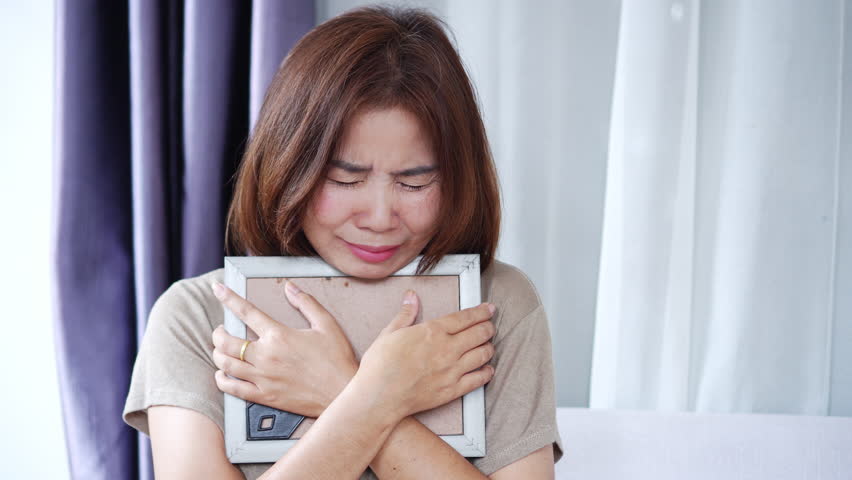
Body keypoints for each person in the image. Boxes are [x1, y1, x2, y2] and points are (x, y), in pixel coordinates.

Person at [123, 5, 563, 479]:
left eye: (414, 183)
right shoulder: (194, 317)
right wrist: (376, 395)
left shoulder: (497, 304)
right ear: (288, 166)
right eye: (345, 180)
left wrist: (339, 387)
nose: (379, 218)